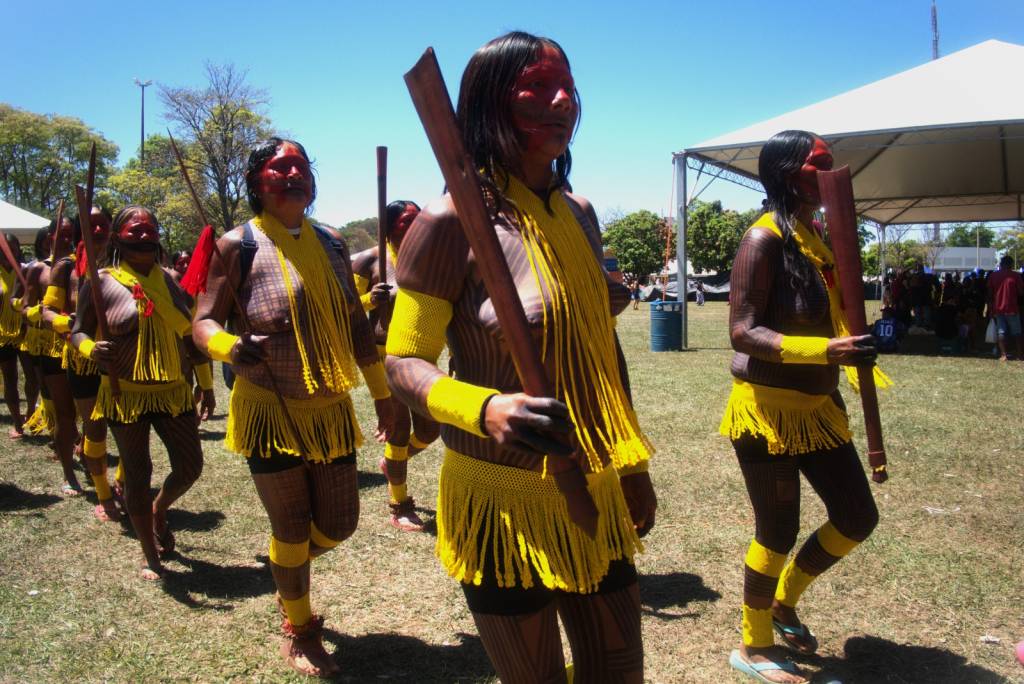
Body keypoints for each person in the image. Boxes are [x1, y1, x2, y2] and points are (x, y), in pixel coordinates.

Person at [386, 32, 656, 683]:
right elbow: (402, 359)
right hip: (498, 501)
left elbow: (602, 347)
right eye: (535, 87)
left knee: (617, 672)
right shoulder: (449, 223)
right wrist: (482, 407)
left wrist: (632, 461)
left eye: (566, 87)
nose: (561, 100)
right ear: (487, 105)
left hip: (591, 480)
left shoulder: (580, 214)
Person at [193, 138, 393, 677]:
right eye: (278, 168)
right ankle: (300, 630)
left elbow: (354, 323)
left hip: (328, 409)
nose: (291, 175)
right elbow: (203, 320)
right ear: (257, 181)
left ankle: (287, 574)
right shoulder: (238, 245)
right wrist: (229, 347)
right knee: (291, 525)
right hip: (269, 410)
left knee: (340, 524)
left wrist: (382, 395)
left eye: (300, 166)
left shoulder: (330, 241)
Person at [720, 130, 881, 684]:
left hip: (818, 408)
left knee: (857, 516)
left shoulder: (814, 236)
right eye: (820, 164)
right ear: (790, 172)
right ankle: (754, 642)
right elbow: (742, 332)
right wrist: (826, 349)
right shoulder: (761, 241)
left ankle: (784, 602)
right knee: (776, 529)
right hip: (765, 413)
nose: (832, 173)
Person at [71, 205, 215, 580]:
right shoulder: (100, 283)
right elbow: (77, 331)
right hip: (125, 393)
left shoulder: (169, 280)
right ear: (118, 236)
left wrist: (206, 383)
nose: (143, 235)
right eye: (135, 230)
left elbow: (190, 335)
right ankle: (151, 556)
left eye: (150, 229)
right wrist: (91, 349)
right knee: (137, 472)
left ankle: (158, 509)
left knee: (190, 466)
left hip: (172, 391)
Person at [351, 200, 440, 531]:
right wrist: (369, 299)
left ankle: (392, 461)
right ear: (389, 227)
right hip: (383, 354)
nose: (414, 226)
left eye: (418, 219)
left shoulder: (429, 257)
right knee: (400, 429)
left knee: (431, 429)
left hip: (421, 355)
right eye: (405, 222)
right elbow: (344, 307)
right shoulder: (370, 259)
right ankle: (399, 504)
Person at [42, 205, 122, 521]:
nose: (98, 230)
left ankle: (116, 483)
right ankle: (92, 487)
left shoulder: (123, 265)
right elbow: (47, 311)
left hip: (120, 359)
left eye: (103, 224)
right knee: (93, 427)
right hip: (82, 359)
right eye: (91, 225)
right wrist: (69, 323)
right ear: (79, 231)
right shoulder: (66, 268)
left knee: (128, 427)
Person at [24, 216, 82, 494]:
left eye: (71, 233)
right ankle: (69, 474)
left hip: (81, 347)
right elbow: (23, 306)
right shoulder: (39, 270)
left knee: (93, 414)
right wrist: (45, 315)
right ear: (49, 237)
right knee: (64, 413)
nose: (66, 238)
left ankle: (88, 457)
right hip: (51, 347)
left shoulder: (83, 264)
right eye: (61, 234)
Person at [0, 233, 28, 438]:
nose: (6, 251)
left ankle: (33, 413)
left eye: (11, 247)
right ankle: (18, 422)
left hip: (27, 332)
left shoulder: (27, 271)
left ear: (18, 248)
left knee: (36, 378)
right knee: (10, 379)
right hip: (3, 336)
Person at [986, 255, 1023, 361]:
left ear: (1001, 264)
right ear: (1011, 264)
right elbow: (1021, 292)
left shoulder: (993, 276)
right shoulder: (1016, 276)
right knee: (1017, 333)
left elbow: (989, 293)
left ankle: (1003, 354)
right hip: (1012, 308)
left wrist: (990, 307)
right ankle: (1020, 355)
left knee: (1001, 332)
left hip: (998, 308)